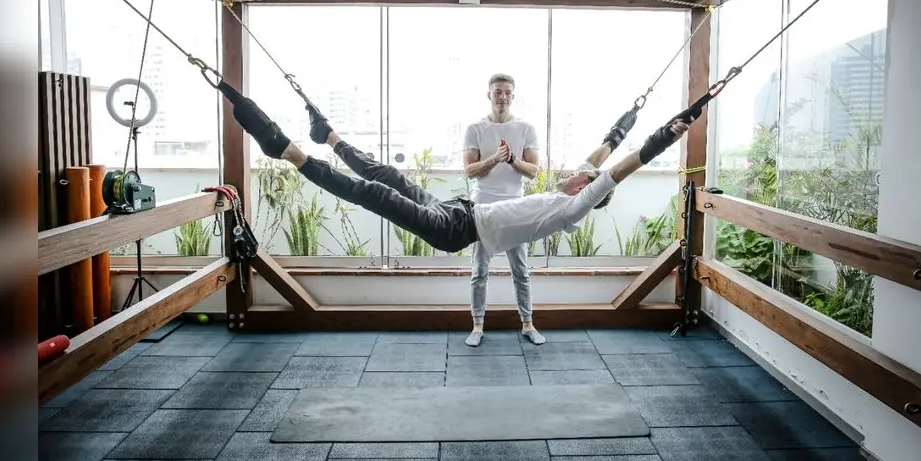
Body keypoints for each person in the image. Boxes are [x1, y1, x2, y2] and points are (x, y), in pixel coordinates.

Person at [223, 84, 695, 303]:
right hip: (459, 208)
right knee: (391, 177)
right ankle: (329, 136)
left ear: (589, 194)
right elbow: (606, 148)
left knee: (376, 196)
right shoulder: (567, 184)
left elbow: (616, 168)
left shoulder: (572, 208)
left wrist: (660, 139)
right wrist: (628, 120)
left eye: (586, 181)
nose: (579, 175)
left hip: (455, 231)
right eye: (581, 175)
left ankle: (287, 151)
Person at [462, 74, 542, 347]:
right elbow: (470, 171)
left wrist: (512, 159)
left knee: (521, 271)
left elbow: (533, 171)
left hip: (515, 208)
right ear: (489, 95)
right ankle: (477, 326)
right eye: (498, 92)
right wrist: (495, 158)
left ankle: (528, 324)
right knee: (479, 271)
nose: (503, 97)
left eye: (507, 92)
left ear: (513, 96)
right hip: (483, 208)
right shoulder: (475, 128)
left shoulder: (525, 128)